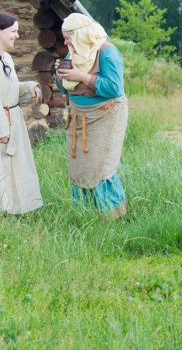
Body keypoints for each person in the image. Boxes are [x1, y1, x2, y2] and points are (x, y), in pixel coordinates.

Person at [54, 13, 128, 219]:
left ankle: (112, 217)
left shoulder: (107, 53)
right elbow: (66, 88)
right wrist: (60, 76)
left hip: (105, 115)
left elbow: (114, 88)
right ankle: (85, 216)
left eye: (68, 36)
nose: (66, 41)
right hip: (79, 117)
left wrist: (82, 77)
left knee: (100, 166)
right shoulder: (74, 53)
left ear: (81, 34)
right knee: (79, 167)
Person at [0, 12, 44, 216]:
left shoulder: (5, 57)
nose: (17, 35)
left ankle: (16, 208)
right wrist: (1, 129)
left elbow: (8, 89)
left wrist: (29, 87)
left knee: (16, 166)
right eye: (13, 31)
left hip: (12, 118)